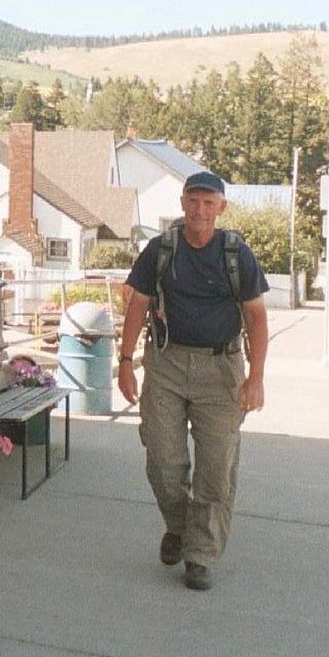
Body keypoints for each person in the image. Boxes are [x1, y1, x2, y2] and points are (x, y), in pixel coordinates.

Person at [117, 170, 269, 591]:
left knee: (216, 467)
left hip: (221, 371)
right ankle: (180, 527)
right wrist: (126, 361)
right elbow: (138, 304)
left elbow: (256, 316)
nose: (200, 211)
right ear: (182, 204)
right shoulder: (161, 249)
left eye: (209, 203)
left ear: (221, 207)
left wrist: (256, 377)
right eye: (193, 201)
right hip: (166, 364)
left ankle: (199, 555)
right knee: (163, 462)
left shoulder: (236, 253)